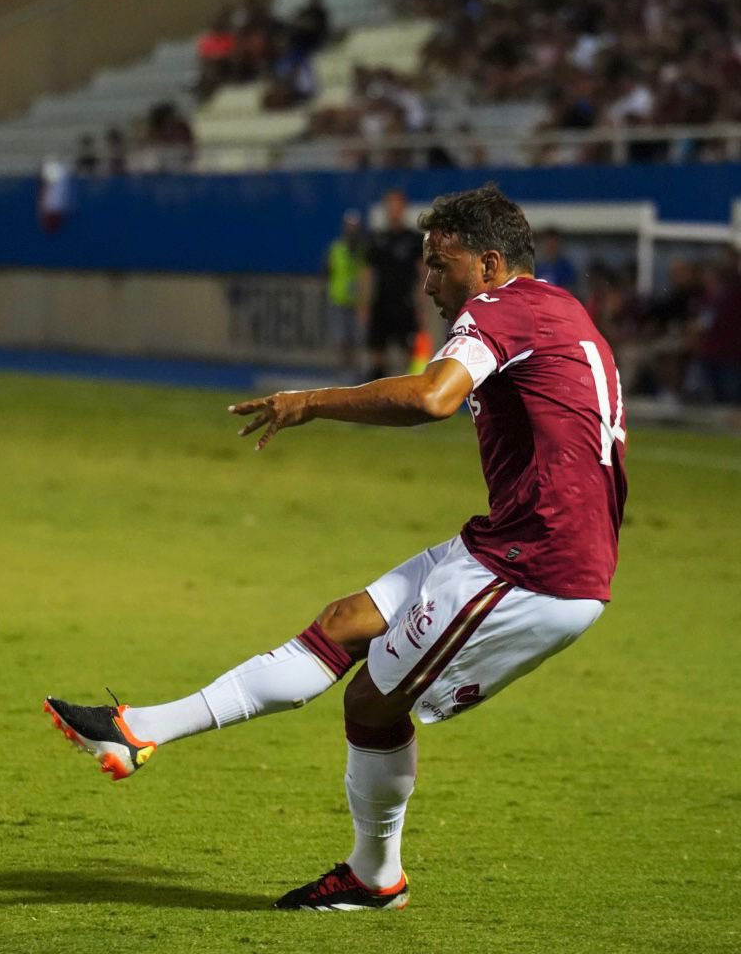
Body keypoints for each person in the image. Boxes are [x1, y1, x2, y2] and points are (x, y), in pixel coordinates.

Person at [45, 182, 627, 912]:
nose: (426, 280)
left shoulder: (498, 308)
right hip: (512, 542)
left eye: (438, 263)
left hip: (536, 569)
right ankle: (140, 729)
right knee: (346, 620)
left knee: (371, 703)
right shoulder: (559, 306)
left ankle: (374, 875)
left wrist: (312, 400)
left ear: (487, 264)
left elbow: (432, 396)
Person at [361, 188, 425, 380]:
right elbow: (367, 273)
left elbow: (423, 273)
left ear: (403, 208)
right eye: (389, 205)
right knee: (377, 353)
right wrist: (364, 303)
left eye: (396, 205)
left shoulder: (413, 239)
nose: (393, 209)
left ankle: (409, 396)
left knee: (410, 352)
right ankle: (376, 396)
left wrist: (421, 302)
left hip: (405, 303)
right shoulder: (377, 239)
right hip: (381, 302)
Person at [325, 209, 366, 376]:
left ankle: (354, 370)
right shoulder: (337, 248)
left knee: (356, 338)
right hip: (338, 299)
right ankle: (344, 370)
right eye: (349, 226)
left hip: (356, 301)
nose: (352, 230)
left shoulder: (363, 250)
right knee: (341, 338)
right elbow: (328, 269)